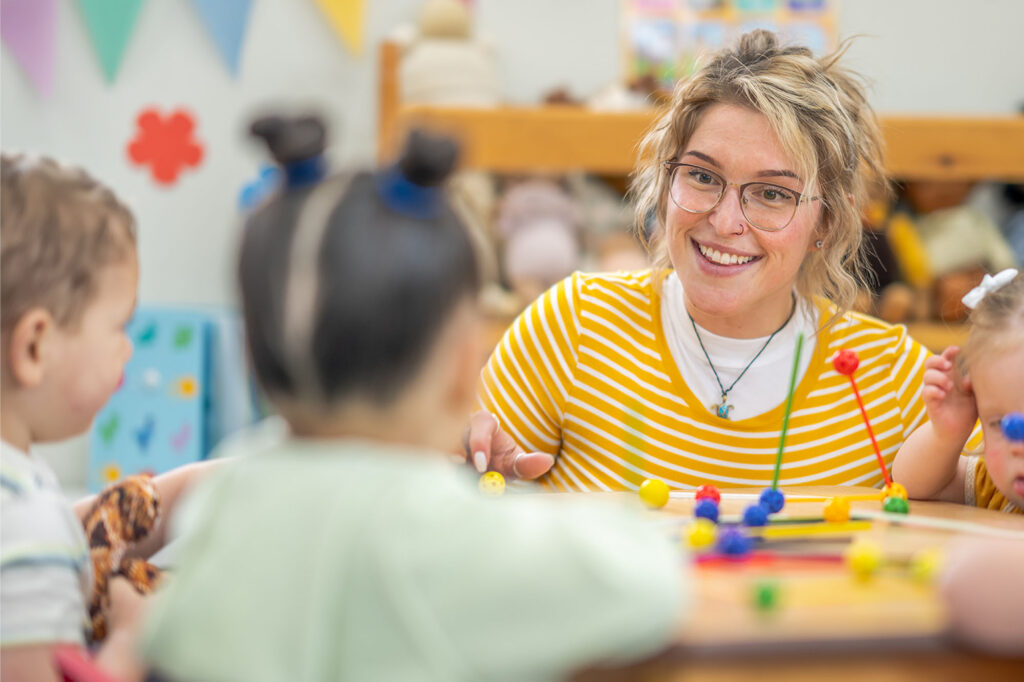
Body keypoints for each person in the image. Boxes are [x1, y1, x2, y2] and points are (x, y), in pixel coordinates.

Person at [140, 117, 686, 681]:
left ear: (252, 358)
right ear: (460, 367)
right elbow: (648, 585)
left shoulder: (225, 499)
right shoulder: (443, 531)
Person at [468, 29, 949, 492]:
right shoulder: (574, 327)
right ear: (665, 180)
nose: (724, 222)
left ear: (824, 222)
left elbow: (1001, 492)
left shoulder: (889, 375)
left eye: (771, 193)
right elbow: (455, 488)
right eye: (701, 176)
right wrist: (474, 470)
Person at [1, 154, 144, 681]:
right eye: (118, 326)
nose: (127, 350)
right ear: (35, 345)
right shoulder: (24, 525)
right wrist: (130, 645)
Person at [892, 269, 1023, 514]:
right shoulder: (994, 489)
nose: (1018, 445)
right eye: (998, 423)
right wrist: (947, 435)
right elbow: (913, 484)